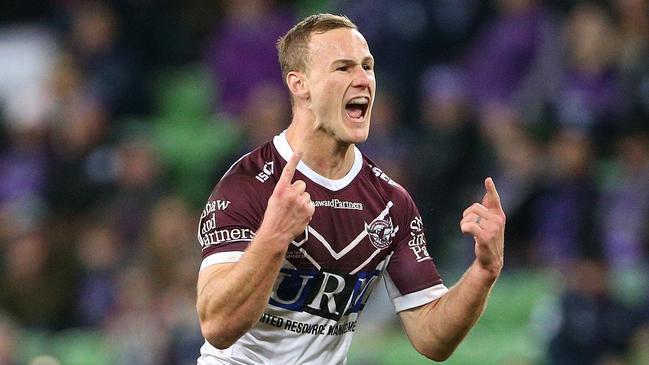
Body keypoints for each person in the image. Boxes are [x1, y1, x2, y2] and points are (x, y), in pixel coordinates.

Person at [195, 14, 506, 364]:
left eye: (367, 66)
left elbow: (431, 336)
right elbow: (216, 325)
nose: (362, 80)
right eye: (343, 68)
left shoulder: (390, 203)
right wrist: (273, 237)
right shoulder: (248, 184)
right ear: (300, 84)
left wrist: (483, 272)